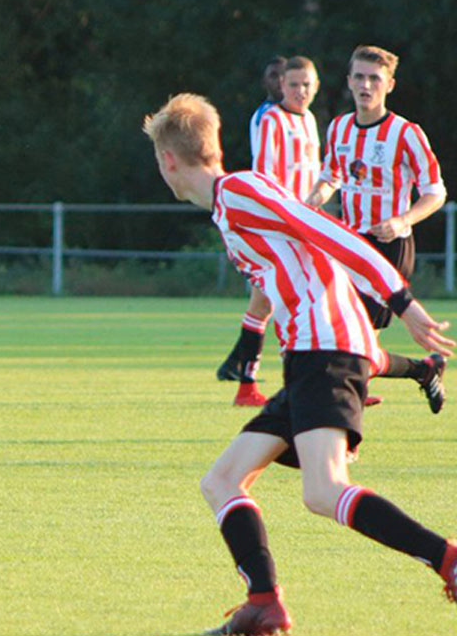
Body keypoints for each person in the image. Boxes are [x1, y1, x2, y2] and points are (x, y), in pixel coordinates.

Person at [144, 92, 457, 635]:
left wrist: (401, 301)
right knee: (222, 480)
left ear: (168, 160)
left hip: (322, 350)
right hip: (314, 356)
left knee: (323, 490)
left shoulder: (241, 191)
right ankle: (263, 602)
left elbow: (329, 233)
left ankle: (448, 559)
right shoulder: (228, 206)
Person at [306, 45, 447, 413]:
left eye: (374, 78)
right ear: (349, 81)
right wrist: (312, 200)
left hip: (389, 249)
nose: (365, 84)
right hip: (348, 246)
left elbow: (435, 192)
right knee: (344, 341)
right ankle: (423, 370)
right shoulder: (338, 127)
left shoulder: (406, 133)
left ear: (390, 84)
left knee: (354, 347)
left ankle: (343, 432)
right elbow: (331, 176)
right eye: (359, 77)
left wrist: (403, 220)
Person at [219, 56, 321, 407]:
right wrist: (280, 220)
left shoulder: (309, 120)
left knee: (268, 303)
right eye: (293, 84)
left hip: (305, 224)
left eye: (306, 84)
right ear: (281, 86)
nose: (300, 91)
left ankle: (249, 384)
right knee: (283, 302)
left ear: (316, 86)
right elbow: (264, 176)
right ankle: (286, 384)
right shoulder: (271, 120)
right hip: (282, 225)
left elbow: (315, 172)